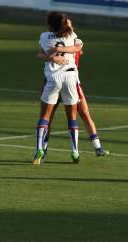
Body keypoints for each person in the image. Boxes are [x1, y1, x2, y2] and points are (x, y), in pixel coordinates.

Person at [36, 19, 109, 162]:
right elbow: (41, 54)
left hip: (71, 81)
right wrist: (52, 57)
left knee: (84, 113)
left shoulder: (73, 38)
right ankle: (44, 149)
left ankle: (97, 147)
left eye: (69, 24)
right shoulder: (56, 38)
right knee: (51, 117)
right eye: (67, 24)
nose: (69, 26)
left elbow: (77, 49)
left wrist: (58, 50)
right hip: (66, 81)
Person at [33, 12, 82, 165]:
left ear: (49, 24)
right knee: (72, 117)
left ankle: (38, 149)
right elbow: (77, 48)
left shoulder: (44, 36)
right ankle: (75, 151)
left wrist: (52, 55)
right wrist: (64, 51)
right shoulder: (71, 35)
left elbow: (40, 54)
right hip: (70, 77)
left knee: (45, 116)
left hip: (53, 78)